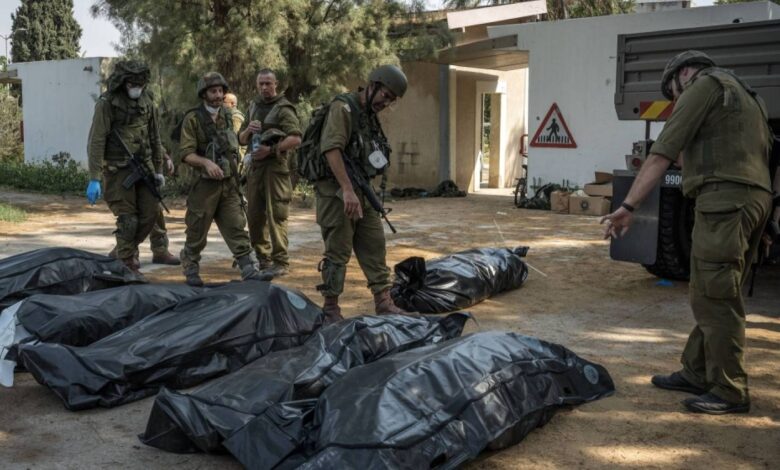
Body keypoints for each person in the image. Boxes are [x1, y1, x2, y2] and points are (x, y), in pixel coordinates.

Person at [600, 51, 773, 414]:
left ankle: (730, 390)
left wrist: (628, 206)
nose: (676, 100)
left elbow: (662, 153)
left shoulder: (703, 86)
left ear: (683, 74)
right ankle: (696, 371)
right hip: (752, 198)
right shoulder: (746, 95)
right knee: (711, 289)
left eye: (673, 93)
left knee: (716, 295)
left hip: (725, 200)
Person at [314, 64, 416, 322]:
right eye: (385, 95)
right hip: (337, 192)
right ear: (373, 85)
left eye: (391, 100)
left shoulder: (367, 115)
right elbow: (331, 149)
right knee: (337, 251)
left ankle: (383, 302)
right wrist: (347, 189)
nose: (386, 103)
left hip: (362, 190)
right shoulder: (343, 108)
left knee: (374, 244)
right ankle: (330, 308)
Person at [177, 71, 267, 287]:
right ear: (204, 94)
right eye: (213, 91)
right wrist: (206, 163)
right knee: (197, 229)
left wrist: (248, 132)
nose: (218, 95)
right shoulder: (193, 119)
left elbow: (237, 141)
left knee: (236, 226)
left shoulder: (227, 116)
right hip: (204, 186)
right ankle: (190, 266)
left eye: (220, 91)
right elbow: (186, 153)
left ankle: (249, 269)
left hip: (228, 183)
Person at [86, 60, 165, 277]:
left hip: (144, 167)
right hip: (118, 170)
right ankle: (127, 262)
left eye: (140, 84)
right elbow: (96, 140)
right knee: (128, 219)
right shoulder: (107, 104)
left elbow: (155, 136)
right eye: (132, 84)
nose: (136, 88)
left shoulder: (147, 101)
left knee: (150, 214)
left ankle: (123, 249)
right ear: (122, 82)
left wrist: (158, 169)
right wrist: (95, 177)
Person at [237, 69, 302, 277]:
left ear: (276, 84)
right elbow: (241, 139)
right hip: (255, 169)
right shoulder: (253, 106)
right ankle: (263, 259)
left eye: (268, 83)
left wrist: (272, 150)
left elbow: (295, 139)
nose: (264, 87)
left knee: (276, 215)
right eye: (261, 84)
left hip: (275, 169)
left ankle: (280, 261)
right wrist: (249, 130)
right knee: (255, 215)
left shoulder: (283, 108)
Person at [108, 152, 181, 266]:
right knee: (133, 213)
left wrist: (165, 157)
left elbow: (151, 143)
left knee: (154, 209)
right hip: (124, 168)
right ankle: (129, 252)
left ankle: (160, 249)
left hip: (145, 167)